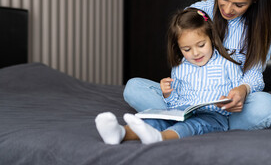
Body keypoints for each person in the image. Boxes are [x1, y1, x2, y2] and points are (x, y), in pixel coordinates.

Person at [124, 0, 271, 130]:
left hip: (230, 106)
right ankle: (197, 120)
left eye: (239, 4)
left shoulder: (260, 28)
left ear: (255, 0)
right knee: (133, 88)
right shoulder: (200, 12)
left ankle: (207, 122)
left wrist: (243, 90)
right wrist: (170, 91)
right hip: (189, 100)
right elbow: (181, 57)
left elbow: (255, 72)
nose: (228, 9)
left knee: (268, 106)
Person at [95, 8, 243, 144]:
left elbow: (238, 94)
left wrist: (227, 102)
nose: (195, 53)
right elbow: (174, 105)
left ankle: (161, 137)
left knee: (191, 126)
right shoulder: (180, 68)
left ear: (211, 38)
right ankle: (120, 132)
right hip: (183, 113)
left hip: (214, 118)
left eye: (201, 45)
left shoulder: (227, 64)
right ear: (179, 48)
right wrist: (167, 95)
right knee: (156, 119)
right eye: (187, 49)